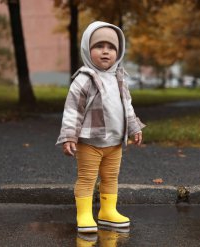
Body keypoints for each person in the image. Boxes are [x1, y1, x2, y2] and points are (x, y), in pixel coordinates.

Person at [56, 21, 145, 233]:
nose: (105, 52)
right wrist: (69, 136)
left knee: (111, 177)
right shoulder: (83, 80)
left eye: (111, 47)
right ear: (87, 49)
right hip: (89, 143)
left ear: (119, 51)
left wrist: (134, 127)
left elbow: (127, 106)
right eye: (99, 46)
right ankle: (85, 214)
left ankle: (107, 211)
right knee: (87, 178)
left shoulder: (119, 78)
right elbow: (72, 111)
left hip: (114, 143)